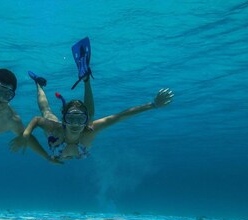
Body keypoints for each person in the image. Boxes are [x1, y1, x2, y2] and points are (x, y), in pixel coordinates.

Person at [9, 37, 174, 161]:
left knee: (88, 119)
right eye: (72, 119)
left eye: (78, 119)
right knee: (47, 111)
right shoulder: (59, 129)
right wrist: (26, 134)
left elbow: (121, 116)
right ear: (64, 120)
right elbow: (37, 119)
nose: (75, 124)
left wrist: (153, 104)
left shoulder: (87, 129)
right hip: (60, 134)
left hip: (65, 142)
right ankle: (39, 84)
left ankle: (85, 79)